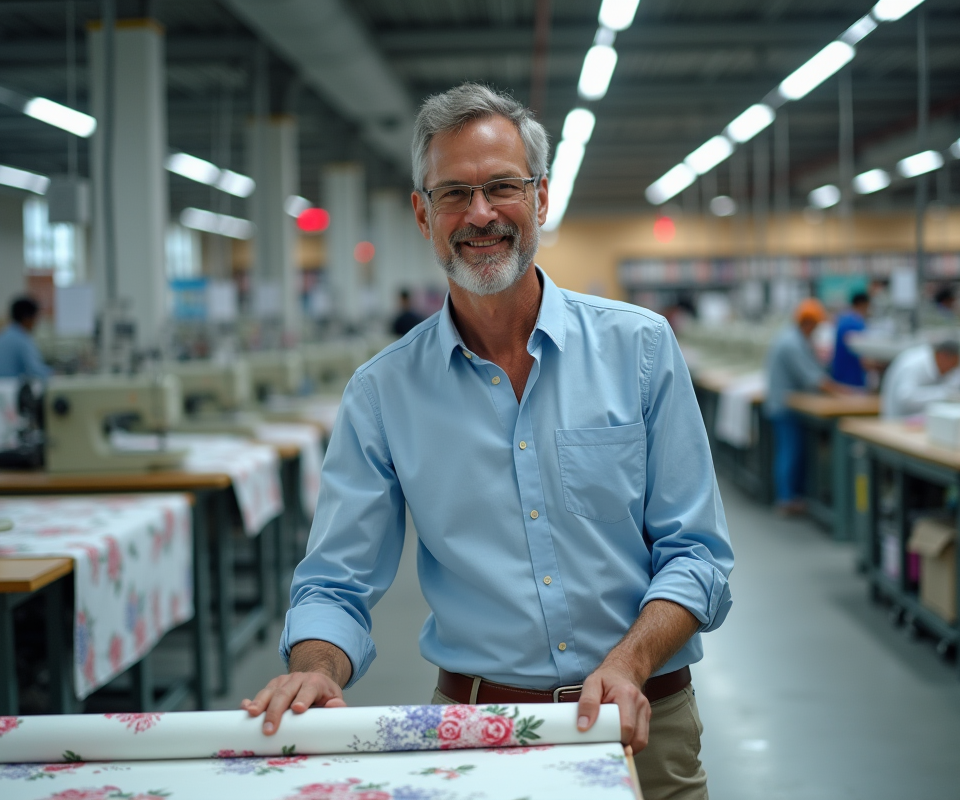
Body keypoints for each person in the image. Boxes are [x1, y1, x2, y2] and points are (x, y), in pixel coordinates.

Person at [242, 83, 734, 800]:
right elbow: (335, 581)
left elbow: (698, 553)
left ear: (539, 197)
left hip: (642, 727)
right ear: (422, 213)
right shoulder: (384, 392)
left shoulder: (641, 350)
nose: (480, 215)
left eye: (501, 187)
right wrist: (317, 667)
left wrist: (629, 661)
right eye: (453, 194)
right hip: (476, 738)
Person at [763, 298, 848, 514]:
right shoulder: (792, 343)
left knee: (790, 451)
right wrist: (846, 394)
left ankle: (792, 495)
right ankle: (786, 499)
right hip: (785, 407)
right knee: (790, 452)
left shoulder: (793, 339)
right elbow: (814, 379)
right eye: (817, 326)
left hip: (786, 404)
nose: (817, 331)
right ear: (808, 323)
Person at [880, 340, 960, 419]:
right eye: (952, 365)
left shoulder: (934, 363)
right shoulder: (914, 364)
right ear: (943, 356)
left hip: (915, 422)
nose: (951, 370)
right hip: (896, 422)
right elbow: (905, 398)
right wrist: (945, 394)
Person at [0, 297, 51, 379]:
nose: (36, 323)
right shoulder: (22, 340)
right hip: (9, 389)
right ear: (27, 318)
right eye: (36, 318)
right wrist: (55, 373)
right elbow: (36, 371)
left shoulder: (0, 335)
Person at [830, 291, 870, 387]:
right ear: (862, 304)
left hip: (839, 375)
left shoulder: (843, 320)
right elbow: (864, 360)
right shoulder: (857, 323)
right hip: (852, 379)